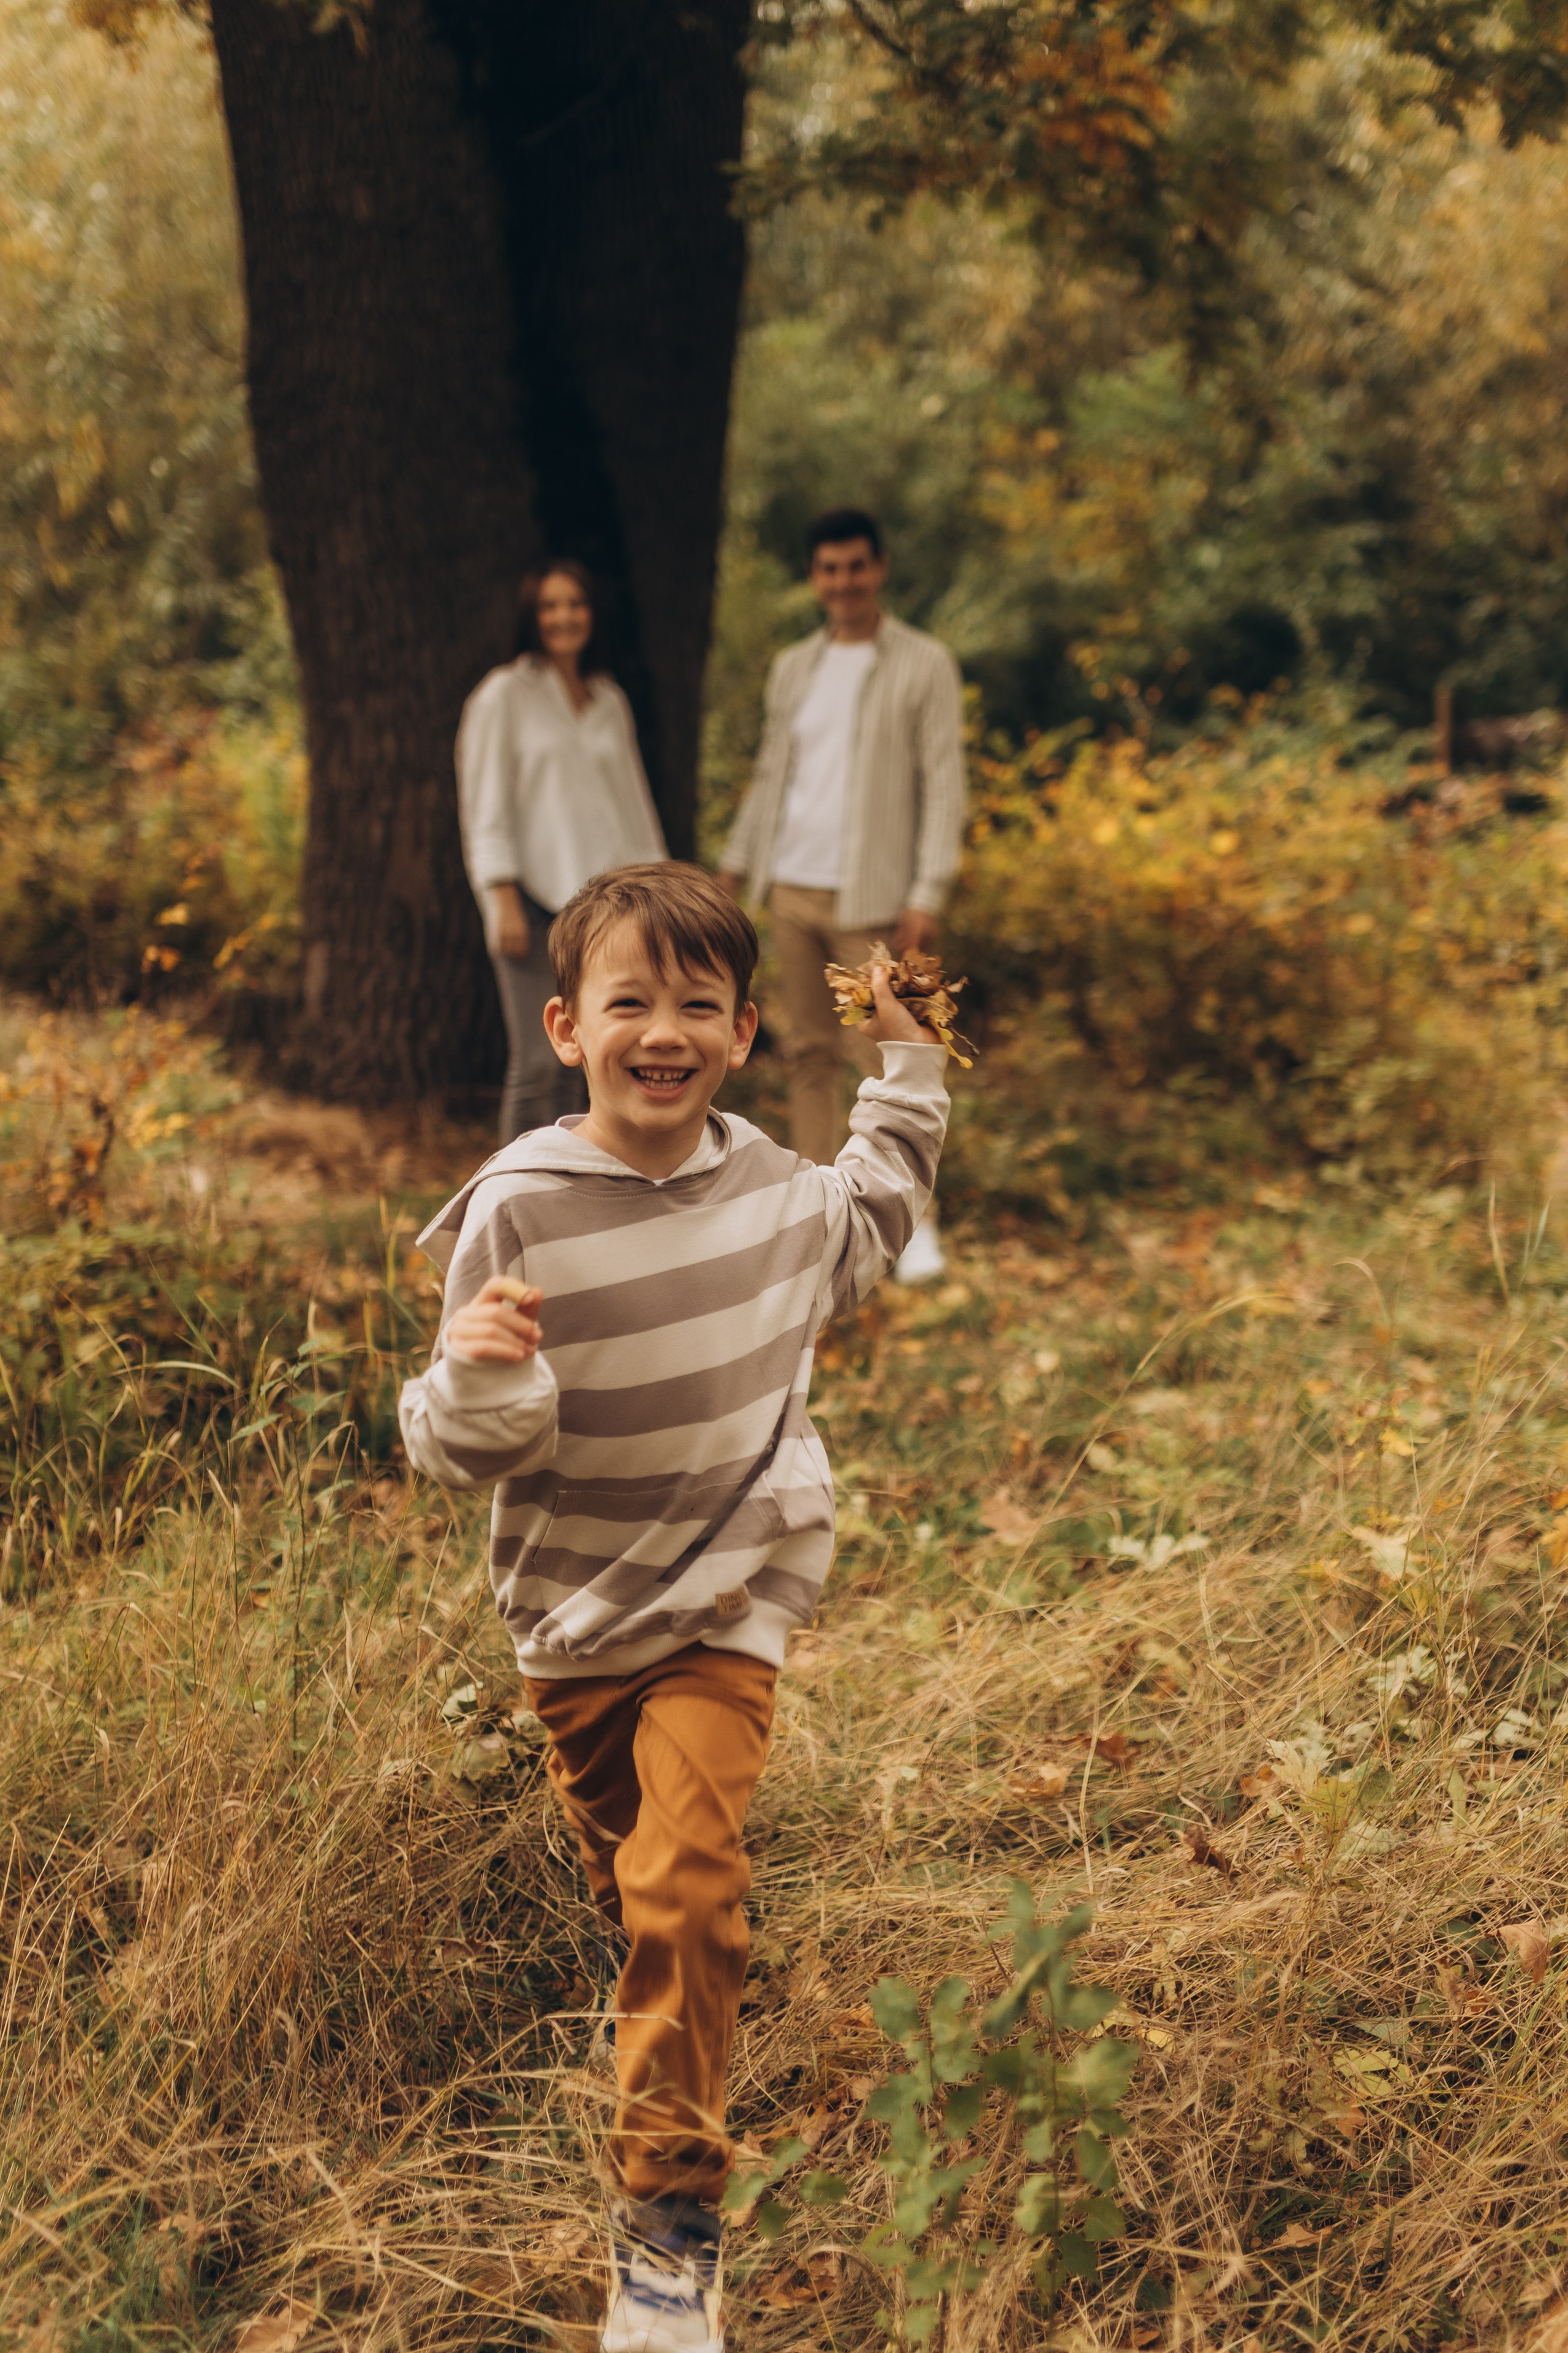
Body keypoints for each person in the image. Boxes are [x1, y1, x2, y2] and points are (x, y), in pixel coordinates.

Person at [398, 863, 949, 2353]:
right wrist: (482, 1375)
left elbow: (879, 1203)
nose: (663, 1030)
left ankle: (665, 2224)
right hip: (574, 1615)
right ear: (567, 1026)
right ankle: (664, 1976)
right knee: (633, 1881)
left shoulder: (770, 1190)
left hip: (728, 1590)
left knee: (688, 1879)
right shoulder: (518, 1206)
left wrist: (904, 1054)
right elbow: (452, 1445)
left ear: (742, 1031)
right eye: (629, 1001)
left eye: (697, 1004)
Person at [717, 506, 965, 1283]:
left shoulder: (923, 664)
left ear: (879, 568)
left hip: (875, 897)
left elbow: (944, 784)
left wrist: (927, 890)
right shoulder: (794, 668)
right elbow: (772, 775)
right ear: (814, 577)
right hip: (793, 888)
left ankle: (911, 1222)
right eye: (829, 569)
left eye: (856, 566)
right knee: (808, 1055)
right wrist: (734, 866)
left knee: (895, 1055)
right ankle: (824, 1214)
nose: (843, 581)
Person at [457, 559, 668, 1140]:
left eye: (575, 604)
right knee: (538, 1062)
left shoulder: (608, 698)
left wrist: (660, 892)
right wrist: (500, 896)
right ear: (532, 617)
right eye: (550, 606)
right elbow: (484, 803)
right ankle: (512, 1190)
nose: (564, 617)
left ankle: (578, 1184)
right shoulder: (504, 695)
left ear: (592, 614)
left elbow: (633, 806)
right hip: (528, 902)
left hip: (603, 910)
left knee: (593, 1057)